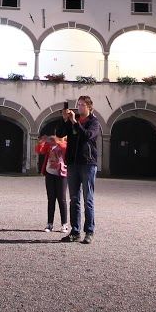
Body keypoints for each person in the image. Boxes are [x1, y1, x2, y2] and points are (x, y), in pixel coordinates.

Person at [60, 96, 101, 244]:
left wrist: (75, 123)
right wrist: (65, 120)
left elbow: (87, 136)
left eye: (83, 105)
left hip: (88, 163)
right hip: (73, 163)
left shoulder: (94, 122)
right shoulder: (73, 120)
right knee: (74, 199)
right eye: (78, 104)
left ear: (89, 107)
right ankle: (75, 231)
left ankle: (89, 231)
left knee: (88, 199)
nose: (79, 107)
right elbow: (60, 134)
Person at [37, 127, 70, 233]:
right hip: (50, 173)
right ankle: (49, 224)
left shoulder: (66, 144)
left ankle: (64, 224)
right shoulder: (50, 144)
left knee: (62, 199)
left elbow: (65, 150)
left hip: (62, 174)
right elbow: (39, 151)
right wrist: (41, 142)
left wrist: (57, 141)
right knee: (51, 199)